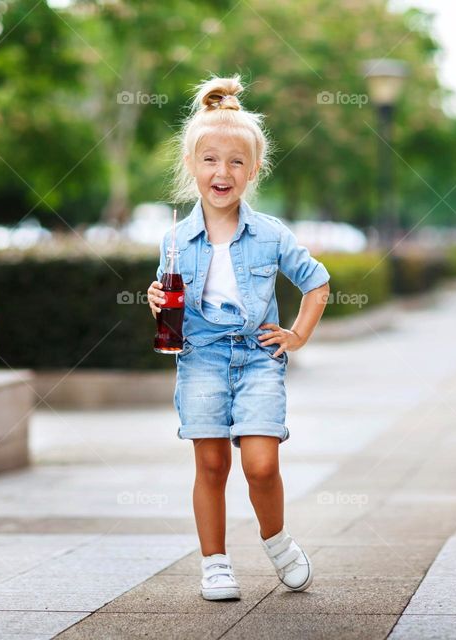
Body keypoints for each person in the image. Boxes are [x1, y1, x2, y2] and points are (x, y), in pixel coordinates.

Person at [147, 74, 330, 601]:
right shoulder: (175, 238)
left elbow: (316, 282)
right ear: (191, 166)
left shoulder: (271, 233)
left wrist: (295, 335)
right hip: (200, 356)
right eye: (210, 159)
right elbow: (167, 294)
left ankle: (276, 540)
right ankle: (215, 564)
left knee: (261, 463)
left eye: (235, 162)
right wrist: (154, 299)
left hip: (256, 357)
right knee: (210, 463)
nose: (221, 171)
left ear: (252, 171)